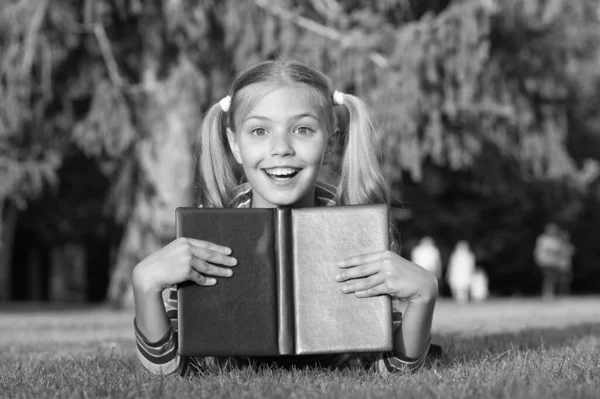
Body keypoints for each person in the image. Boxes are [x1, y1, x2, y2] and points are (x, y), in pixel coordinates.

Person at [132, 60, 438, 376]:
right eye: (259, 130)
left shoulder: (358, 231)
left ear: (330, 141)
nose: (281, 148)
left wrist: (423, 296)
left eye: (302, 129)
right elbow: (167, 373)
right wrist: (144, 285)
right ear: (235, 145)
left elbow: (394, 372)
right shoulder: (206, 234)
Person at [534, 224, 574, 298]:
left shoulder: (556, 239)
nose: (553, 231)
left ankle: (551, 293)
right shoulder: (543, 239)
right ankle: (548, 294)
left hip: (553, 262)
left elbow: (562, 250)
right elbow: (549, 250)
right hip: (545, 261)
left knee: (553, 278)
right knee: (549, 277)